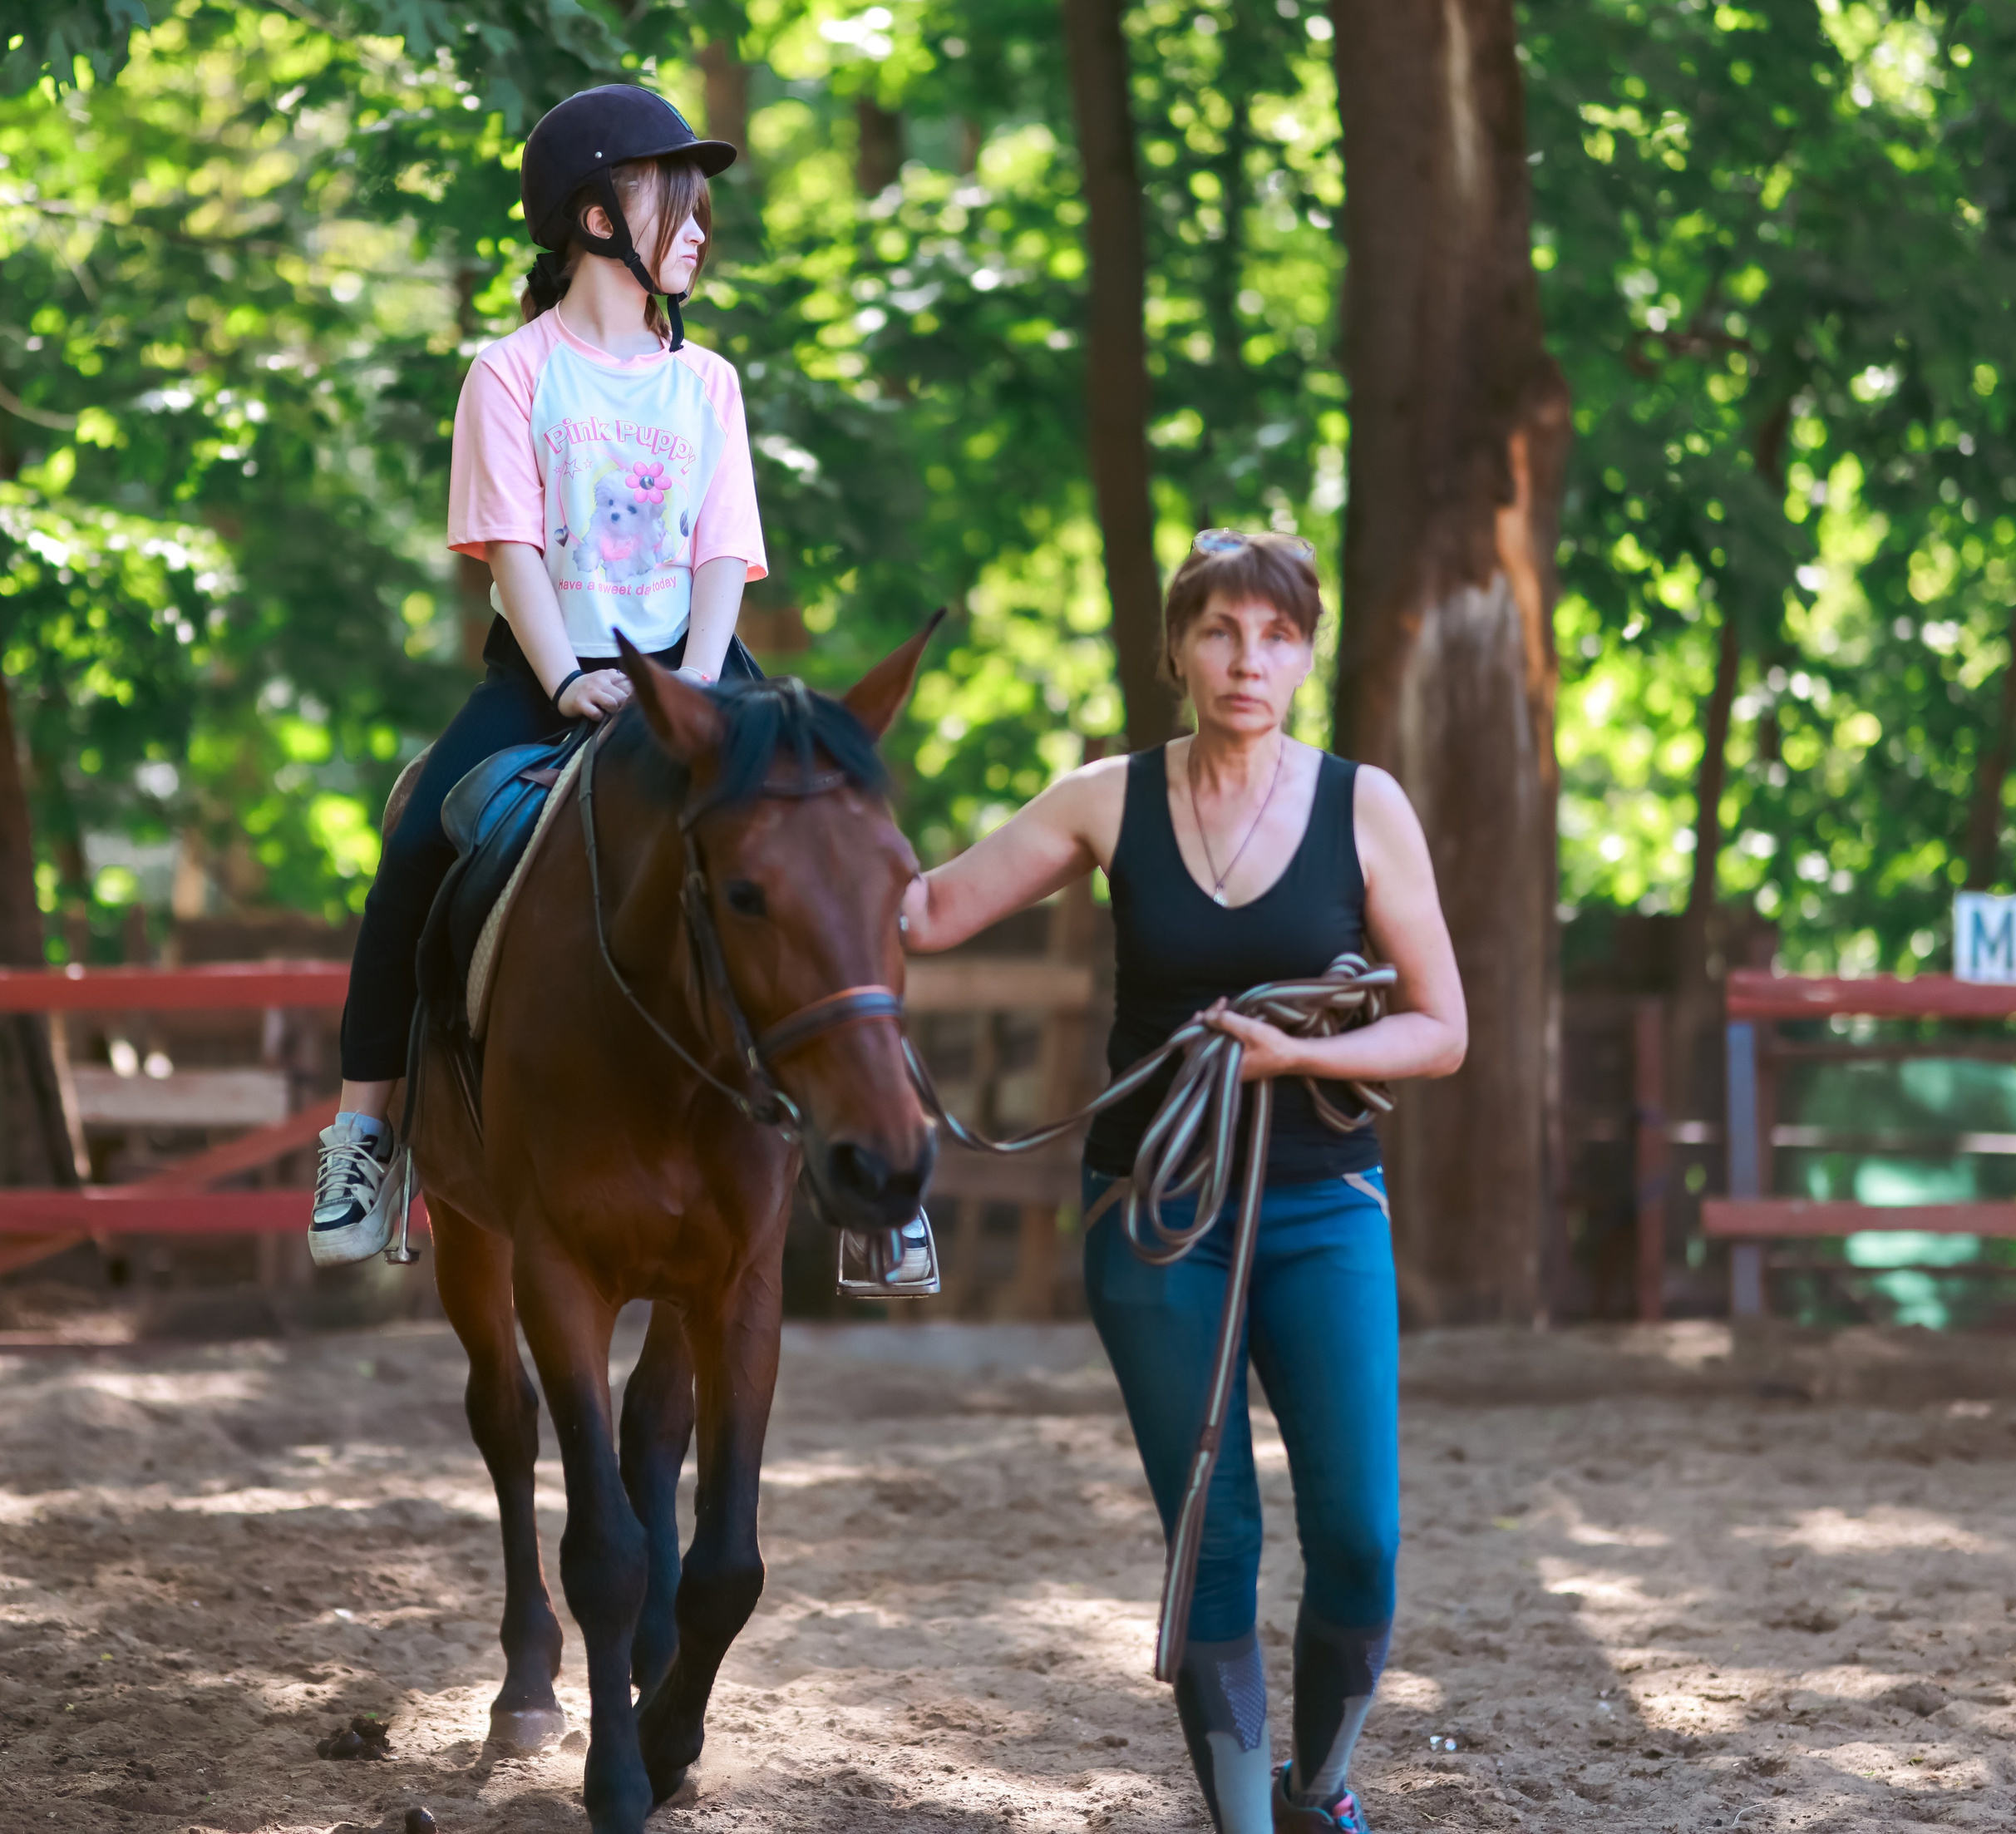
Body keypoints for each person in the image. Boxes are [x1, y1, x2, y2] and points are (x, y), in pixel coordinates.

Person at [308, 83, 939, 1298]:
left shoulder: (706, 384)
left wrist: (697, 689)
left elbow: (720, 550)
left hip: (700, 674)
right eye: (676, 203)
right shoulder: (510, 373)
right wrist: (574, 678)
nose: (699, 229)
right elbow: (513, 553)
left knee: (846, 844)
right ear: (595, 215)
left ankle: (893, 1177)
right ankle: (367, 1139)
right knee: (413, 846)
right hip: (553, 674)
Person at [901, 531, 1466, 1834]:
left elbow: (1442, 1027)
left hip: (1324, 1207)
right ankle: (1244, 1822)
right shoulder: (1108, 797)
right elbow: (927, 913)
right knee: (1212, 1539)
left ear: (1307, 651)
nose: (1246, 659)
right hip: (1154, 1217)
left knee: (1363, 1540)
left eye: (1275, 635)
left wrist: (1293, 1050)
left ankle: (1322, 1788)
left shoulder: (1363, 806)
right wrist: (809, 808)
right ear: (1177, 649)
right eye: (1219, 630)